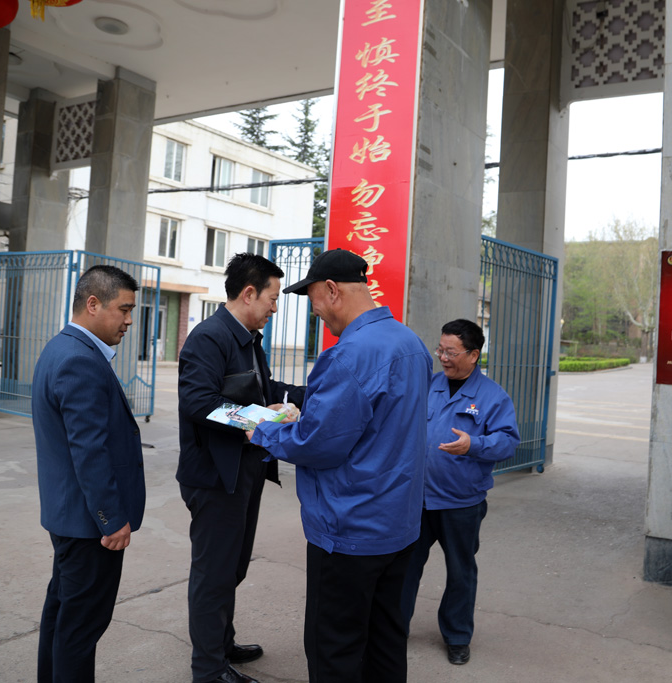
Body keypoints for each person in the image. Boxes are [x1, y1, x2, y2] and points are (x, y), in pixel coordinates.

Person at [248, 248, 431, 683]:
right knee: (386, 641)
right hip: (400, 524)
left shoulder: (348, 355)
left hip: (349, 530)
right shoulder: (411, 343)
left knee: (335, 649)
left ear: (332, 290)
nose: (315, 312)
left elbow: (318, 444)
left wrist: (261, 430)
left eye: (312, 300)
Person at [177, 253, 305, 683]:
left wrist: (312, 393)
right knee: (214, 573)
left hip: (243, 471)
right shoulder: (209, 338)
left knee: (233, 567)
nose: (275, 308)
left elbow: (265, 390)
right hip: (215, 476)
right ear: (249, 293)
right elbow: (199, 402)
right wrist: (263, 418)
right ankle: (208, 670)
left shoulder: (248, 339)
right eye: (272, 298)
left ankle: (220, 642)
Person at [32, 265, 146, 683]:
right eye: (124, 309)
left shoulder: (61, 348)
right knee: (80, 630)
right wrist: (111, 519)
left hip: (70, 517)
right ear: (93, 304)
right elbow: (89, 451)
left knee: (63, 616)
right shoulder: (80, 360)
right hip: (88, 526)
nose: (129, 321)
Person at [400, 318, 520, 665]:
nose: (443, 358)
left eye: (451, 352)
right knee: (404, 569)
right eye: (440, 350)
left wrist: (474, 445)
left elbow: (508, 442)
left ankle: (457, 636)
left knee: (460, 571)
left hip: (461, 502)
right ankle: (394, 628)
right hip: (418, 499)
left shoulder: (492, 397)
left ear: (473, 355)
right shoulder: (429, 385)